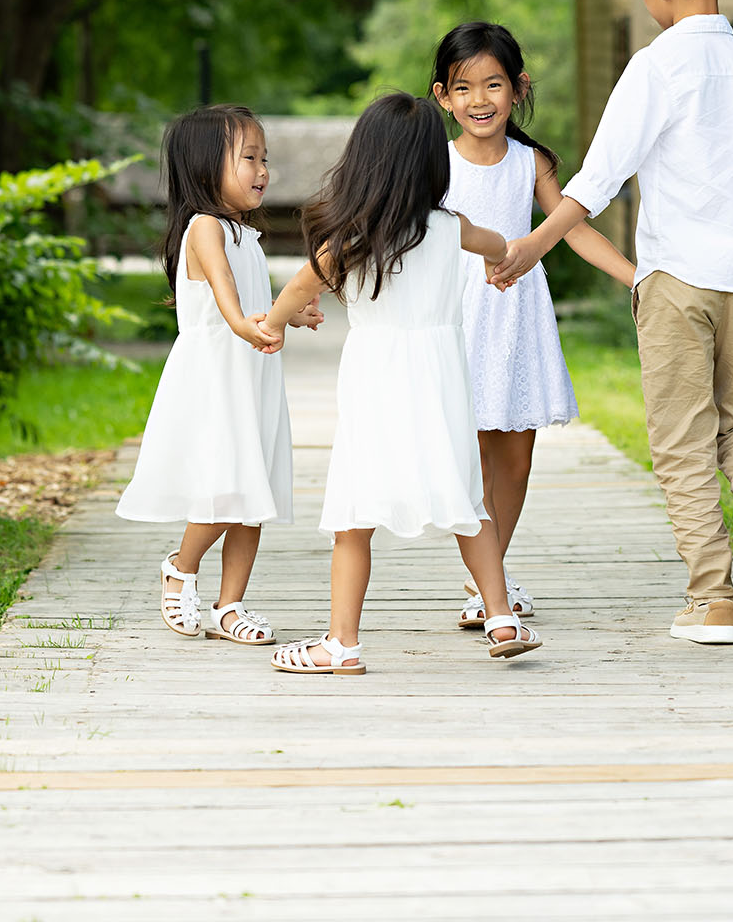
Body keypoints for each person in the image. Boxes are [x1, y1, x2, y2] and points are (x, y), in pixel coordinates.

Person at [491, 0, 733, 646]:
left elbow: (596, 179)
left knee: (682, 439)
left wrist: (533, 245)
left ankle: (713, 600)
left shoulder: (657, 66)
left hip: (677, 278)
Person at [259, 92, 543, 673]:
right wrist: (496, 263)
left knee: (354, 514)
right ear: (431, 167)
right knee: (470, 501)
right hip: (441, 378)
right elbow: (496, 244)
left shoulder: (346, 241)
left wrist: (276, 325)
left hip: (378, 380)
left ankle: (341, 644)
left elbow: (291, 293)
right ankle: (501, 617)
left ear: (363, 161)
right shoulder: (448, 226)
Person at [430, 21, 636, 626]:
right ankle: (488, 586)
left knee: (514, 459)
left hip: (518, 315)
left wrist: (635, 276)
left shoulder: (532, 162)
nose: (479, 101)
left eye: (493, 85)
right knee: (469, 456)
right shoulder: (434, 165)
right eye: (464, 88)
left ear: (518, 88)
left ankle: (490, 575)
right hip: (458, 315)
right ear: (443, 96)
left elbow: (572, 228)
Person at [115, 104, 321, 644]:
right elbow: (229, 300)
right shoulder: (204, 228)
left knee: (254, 493)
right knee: (226, 487)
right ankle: (181, 568)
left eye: (264, 159)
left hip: (250, 373)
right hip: (217, 377)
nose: (262, 170)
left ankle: (230, 605)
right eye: (248, 158)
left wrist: (288, 314)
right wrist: (244, 324)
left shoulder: (244, 234)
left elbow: (254, 304)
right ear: (207, 168)